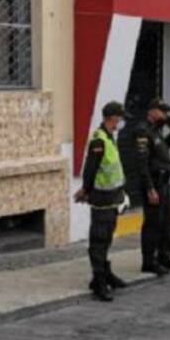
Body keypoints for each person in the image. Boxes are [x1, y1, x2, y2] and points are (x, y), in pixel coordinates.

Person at [75, 101, 129, 302]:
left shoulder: (109, 138)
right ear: (112, 118)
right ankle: (98, 281)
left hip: (112, 199)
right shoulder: (99, 140)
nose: (122, 122)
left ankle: (106, 273)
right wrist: (85, 190)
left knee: (106, 238)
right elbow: (90, 168)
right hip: (101, 200)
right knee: (98, 239)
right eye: (120, 118)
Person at [134, 97, 170, 276]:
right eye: (163, 111)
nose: (165, 115)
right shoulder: (142, 131)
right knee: (153, 224)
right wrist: (149, 188)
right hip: (154, 184)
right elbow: (142, 163)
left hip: (164, 184)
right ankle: (148, 261)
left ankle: (164, 256)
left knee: (168, 222)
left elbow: (162, 150)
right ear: (153, 111)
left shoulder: (155, 130)